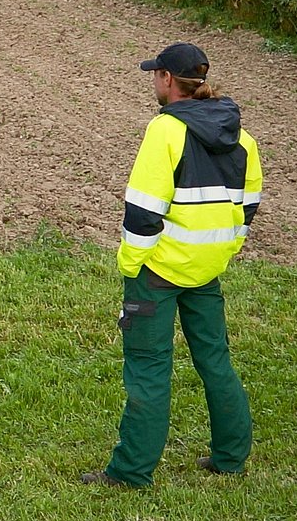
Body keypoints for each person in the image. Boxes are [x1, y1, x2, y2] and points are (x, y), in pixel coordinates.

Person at [83, 43, 259, 488]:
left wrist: (131, 264)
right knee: (215, 359)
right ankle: (231, 456)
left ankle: (130, 471)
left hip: (157, 273)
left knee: (148, 367)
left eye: (155, 74)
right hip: (206, 268)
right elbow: (248, 206)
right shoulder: (242, 137)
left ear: (166, 79)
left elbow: (143, 210)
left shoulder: (164, 131)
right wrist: (223, 249)